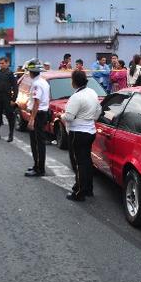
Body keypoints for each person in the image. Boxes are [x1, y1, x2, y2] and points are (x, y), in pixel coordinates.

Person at [59, 70, 101, 201]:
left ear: (74, 82)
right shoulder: (92, 92)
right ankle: (88, 189)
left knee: (78, 163)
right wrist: (89, 119)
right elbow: (98, 110)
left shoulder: (76, 97)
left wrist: (61, 115)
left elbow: (69, 117)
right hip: (90, 131)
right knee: (87, 161)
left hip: (78, 133)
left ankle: (79, 192)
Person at [24, 60, 50, 177]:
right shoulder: (43, 81)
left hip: (38, 115)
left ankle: (39, 169)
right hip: (41, 114)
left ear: (31, 72)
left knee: (37, 143)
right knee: (37, 142)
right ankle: (37, 165)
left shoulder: (37, 84)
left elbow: (36, 102)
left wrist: (32, 119)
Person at [0, 57, 18, 142]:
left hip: (6, 98)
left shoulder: (10, 74)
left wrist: (13, 99)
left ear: (7, 63)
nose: (1, 65)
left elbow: (15, 87)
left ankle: (10, 134)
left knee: (10, 116)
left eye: (2, 63)